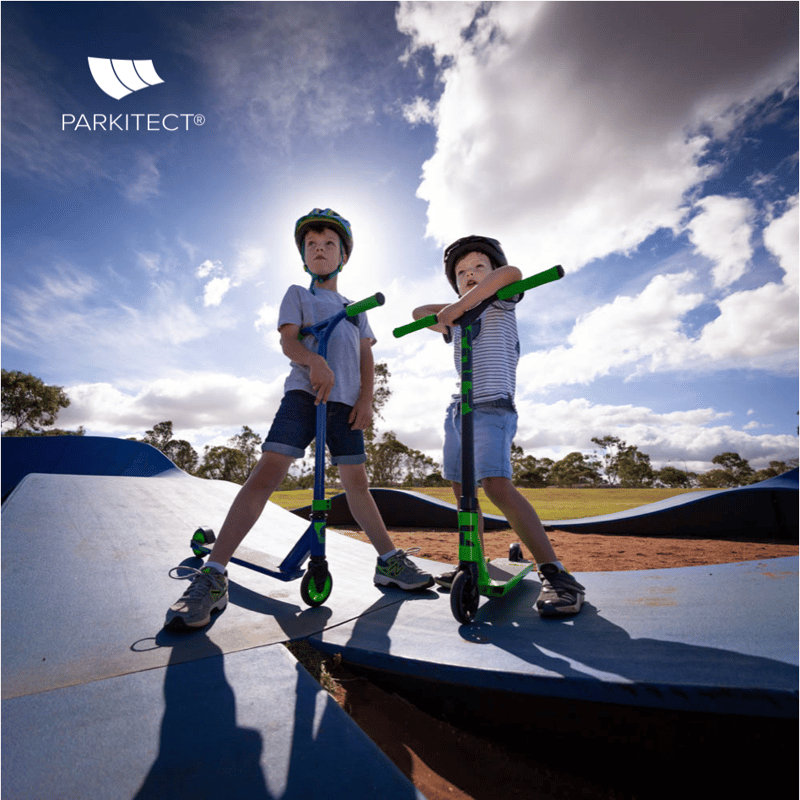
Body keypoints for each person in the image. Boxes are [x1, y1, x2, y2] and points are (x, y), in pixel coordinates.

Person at [165, 208, 433, 630]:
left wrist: (367, 398)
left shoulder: (354, 307)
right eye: (312, 245)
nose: (320, 250)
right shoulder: (298, 294)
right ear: (304, 257)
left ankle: (388, 562)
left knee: (357, 484)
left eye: (329, 244)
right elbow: (289, 342)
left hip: (346, 404)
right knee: (267, 473)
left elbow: (366, 354)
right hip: (303, 395)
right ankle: (213, 575)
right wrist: (314, 362)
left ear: (343, 256)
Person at [411, 235, 585, 617]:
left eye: (478, 268)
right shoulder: (456, 320)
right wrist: (453, 311)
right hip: (460, 408)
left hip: (493, 407)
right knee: (460, 486)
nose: (470, 274)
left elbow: (512, 273)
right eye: (461, 273)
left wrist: (464, 302)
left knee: (496, 486)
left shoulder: (503, 301)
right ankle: (470, 560)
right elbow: (418, 312)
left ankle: (556, 574)